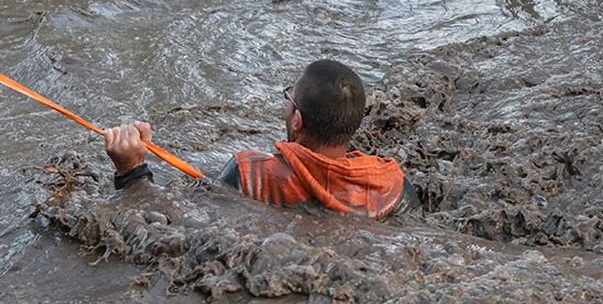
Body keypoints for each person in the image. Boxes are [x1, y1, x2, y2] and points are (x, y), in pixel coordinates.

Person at [103, 59, 416, 220]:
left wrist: (132, 172)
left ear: (297, 120)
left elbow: (170, 222)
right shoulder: (393, 184)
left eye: (289, 98)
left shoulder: (248, 174)